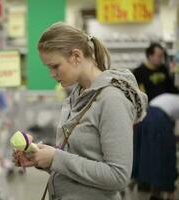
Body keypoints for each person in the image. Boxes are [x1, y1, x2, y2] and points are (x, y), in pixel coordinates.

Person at [13, 22, 148, 200]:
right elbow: (80, 159)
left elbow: (118, 176)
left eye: (55, 66)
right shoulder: (78, 94)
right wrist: (41, 157)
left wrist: (56, 159)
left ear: (76, 56)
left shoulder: (112, 100)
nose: (51, 74)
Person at [132, 93, 179, 200]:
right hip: (158, 119)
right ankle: (169, 193)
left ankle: (154, 192)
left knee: (149, 155)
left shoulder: (171, 98)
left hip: (145, 117)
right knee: (167, 156)